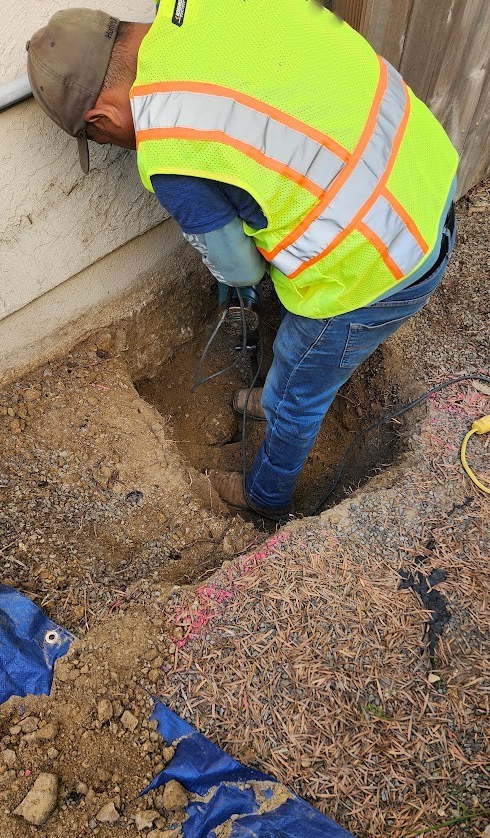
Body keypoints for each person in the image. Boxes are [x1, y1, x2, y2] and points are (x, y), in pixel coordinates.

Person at [26, 1, 458, 521]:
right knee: (297, 369)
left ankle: (266, 496)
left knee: (300, 392)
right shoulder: (210, 8)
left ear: (101, 119)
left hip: (378, 259)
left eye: (100, 139)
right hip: (422, 169)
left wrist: (236, 272)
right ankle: (275, 394)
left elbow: (242, 270)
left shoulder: (170, 147)